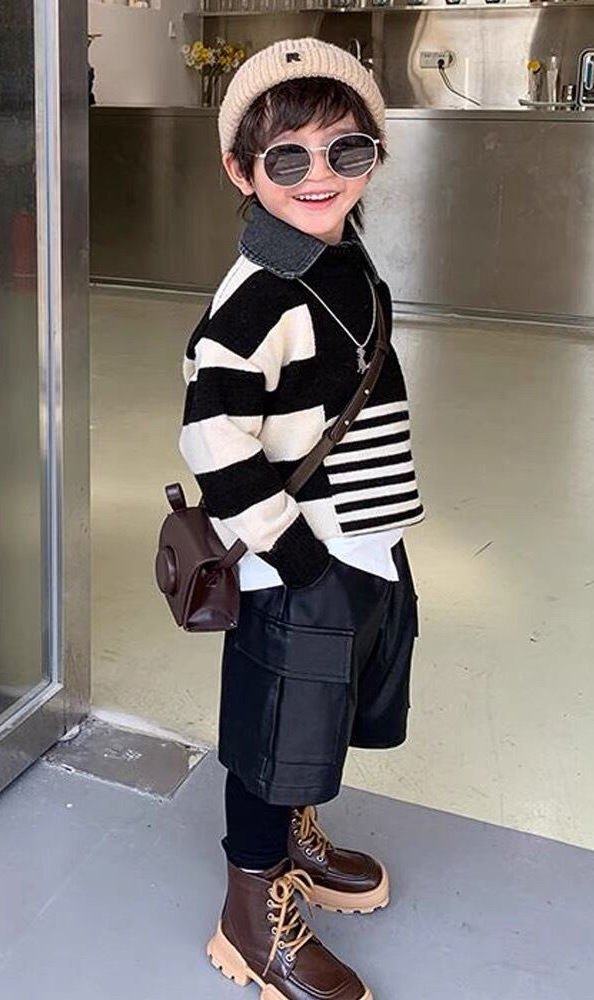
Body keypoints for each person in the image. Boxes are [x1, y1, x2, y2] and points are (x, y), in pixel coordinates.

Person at [178, 37, 424, 1000]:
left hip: (362, 541)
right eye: (287, 157)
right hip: (297, 564)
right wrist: (299, 562)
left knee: (323, 714)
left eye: (345, 149)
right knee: (272, 733)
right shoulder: (260, 293)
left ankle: (294, 837)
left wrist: (363, 551)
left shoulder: (340, 255)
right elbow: (211, 436)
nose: (320, 174)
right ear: (241, 171)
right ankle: (252, 914)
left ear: (374, 155)